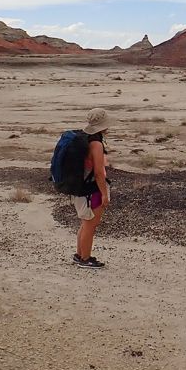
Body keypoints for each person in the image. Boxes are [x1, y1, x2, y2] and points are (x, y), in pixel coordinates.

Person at [72, 108, 113, 269]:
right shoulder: (96, 144)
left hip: (81, 188)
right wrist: (104, 194)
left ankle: (80, 254)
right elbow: (98, 172)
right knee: (90, 224)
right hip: (91, 189)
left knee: (85, 223)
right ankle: (85, 259)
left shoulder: (84, 139)